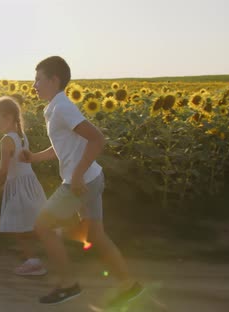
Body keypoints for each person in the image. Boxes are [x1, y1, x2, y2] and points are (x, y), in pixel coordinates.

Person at [21, 56, 143, 306]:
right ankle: (129, 285)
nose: (34, 85)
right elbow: (63, 147)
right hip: (93, 177)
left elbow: (97, 139)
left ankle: (69, 284)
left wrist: (76, 175)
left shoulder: (63, 108)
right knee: (95, 236)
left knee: (43, 226)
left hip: (80, 181)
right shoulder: (55, 107)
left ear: (54, 80)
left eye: (38, 79)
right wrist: (34, 157)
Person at [0, 96, 48, 276]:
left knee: (18, 228)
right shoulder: (22, 136)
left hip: (19, 189)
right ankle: (44, 254)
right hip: (30, 184)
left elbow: (4, 170)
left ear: (8, 117)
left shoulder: (6, 140)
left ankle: (33, 262)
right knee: (32, 224)